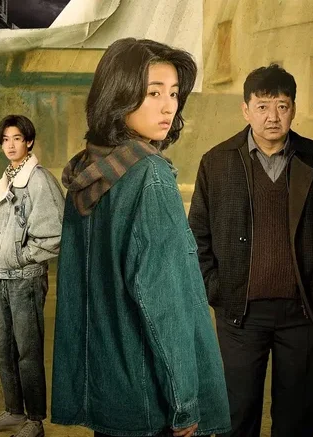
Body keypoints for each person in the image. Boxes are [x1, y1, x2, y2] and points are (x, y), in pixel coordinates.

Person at [50, 38, 231, 437]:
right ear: (119, 95)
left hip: (109, 396)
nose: (169, 107)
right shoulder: (149, 175)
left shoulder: (89, 169)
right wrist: (186, 402)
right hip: (152, 401)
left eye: (174, 94)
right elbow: (163, 302)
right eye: (153, 93)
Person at [188, 64, 313, 437]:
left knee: (297, 419)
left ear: (293, 109)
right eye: (262, 106)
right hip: (239, 313)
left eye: (282, 106)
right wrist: (216, 287)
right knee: (236, 415)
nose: (272, 117)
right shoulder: (217, 162)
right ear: (246, 110)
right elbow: (197, 235)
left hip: (304, 311)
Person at [0, 115, 64, 437]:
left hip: (25, 279)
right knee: (3, 348)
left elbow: (56, 233)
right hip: (1, 277)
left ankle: (35, 420)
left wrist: (20, 257)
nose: (10, 145)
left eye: (17, 138)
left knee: (28, 352)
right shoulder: (9, 177)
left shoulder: (38, 180)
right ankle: (14, 412)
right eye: (5, 139)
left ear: (29, 141)